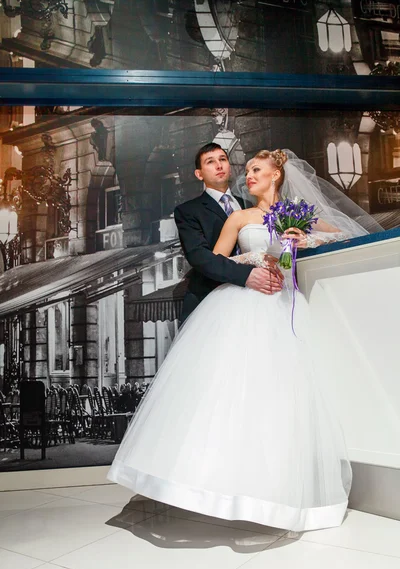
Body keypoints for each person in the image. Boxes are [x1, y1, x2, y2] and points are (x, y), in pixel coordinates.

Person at [108, 149, 381, 533]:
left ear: (276, 175)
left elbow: (337, 238)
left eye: (254, 169)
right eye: (245, 168)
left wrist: (304, 241)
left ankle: (283, 484)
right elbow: (213, 259)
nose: (244, 174)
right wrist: (254, 258)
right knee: (239, 394)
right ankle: (229, 487)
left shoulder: (294, 214)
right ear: (198, 173)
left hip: (287, 304)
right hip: (246, 307)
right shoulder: (237, 216)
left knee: (288, 397)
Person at [173, 142, 283, 322]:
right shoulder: (188, 211)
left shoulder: (251, 205)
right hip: (213, 298)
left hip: (262, 295)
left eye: (223, 159)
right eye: (210, 161)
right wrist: (246, 275)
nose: (219, 165)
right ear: (199, 174)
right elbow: (200, 257)